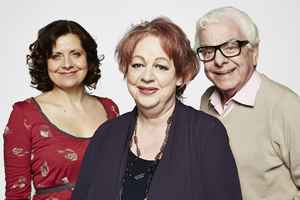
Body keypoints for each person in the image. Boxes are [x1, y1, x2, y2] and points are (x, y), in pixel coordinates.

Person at [71, 17, 242, 200]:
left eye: (160, 67)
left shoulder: (207, 133)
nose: (147, 77)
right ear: (126, 71)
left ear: (180, 76)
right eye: (137, 65)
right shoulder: (105, 134)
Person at [3, 20, 119, 199]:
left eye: (75, 54)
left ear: (88, 57)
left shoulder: (110, 109)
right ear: (44, 62)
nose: (67, 64)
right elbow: (16, 194)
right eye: (56, 56)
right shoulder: (24, 114)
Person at [195, 6, 300, 200]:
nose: (219, 60)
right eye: (209, 51)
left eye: (230, 48)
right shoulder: (206, 101)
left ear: (253, 52)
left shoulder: (285, 107)